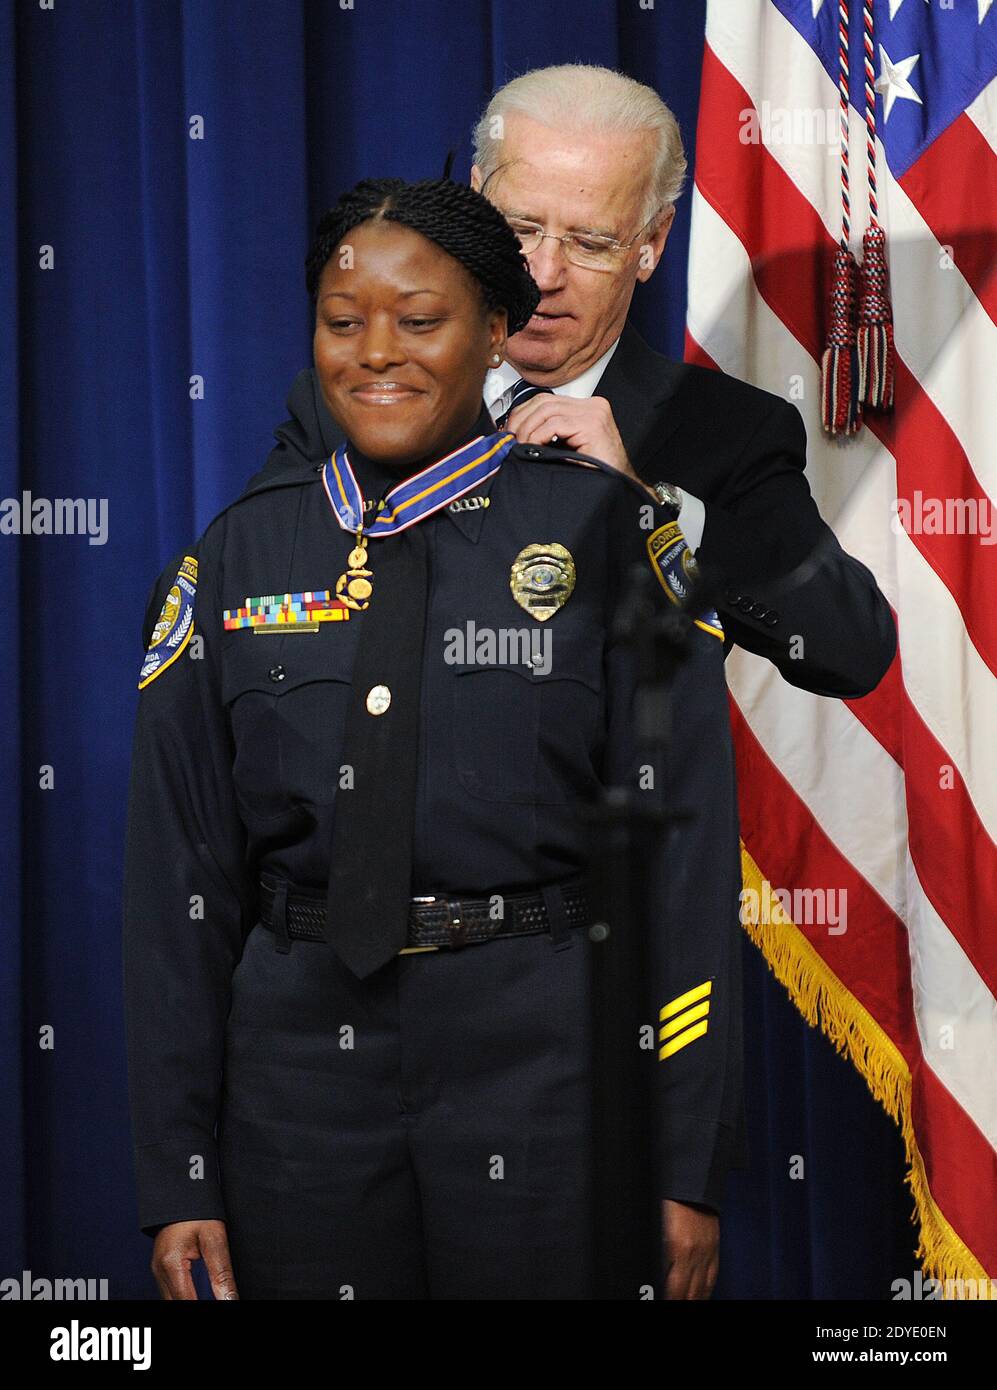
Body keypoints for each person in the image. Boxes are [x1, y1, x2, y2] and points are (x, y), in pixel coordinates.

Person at [122, 176, 743, 1300]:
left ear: (497, 333)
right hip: (297, 1091)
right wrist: (181, 1174)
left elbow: (686, 870)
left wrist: (685, 1161)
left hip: (545, 1073)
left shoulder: (604, 535)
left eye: (421, 322)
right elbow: (178, 890)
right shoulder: (236, 559)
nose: (376, 354)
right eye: (343, 321)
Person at [467, 63, 896, 699]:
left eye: (589, 242)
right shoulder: (373, 399)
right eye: (520, 229)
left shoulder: (728, 432)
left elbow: (850, 649)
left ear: (652, 242)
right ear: (475, 203)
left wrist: (652, 505)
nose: (544, 273)